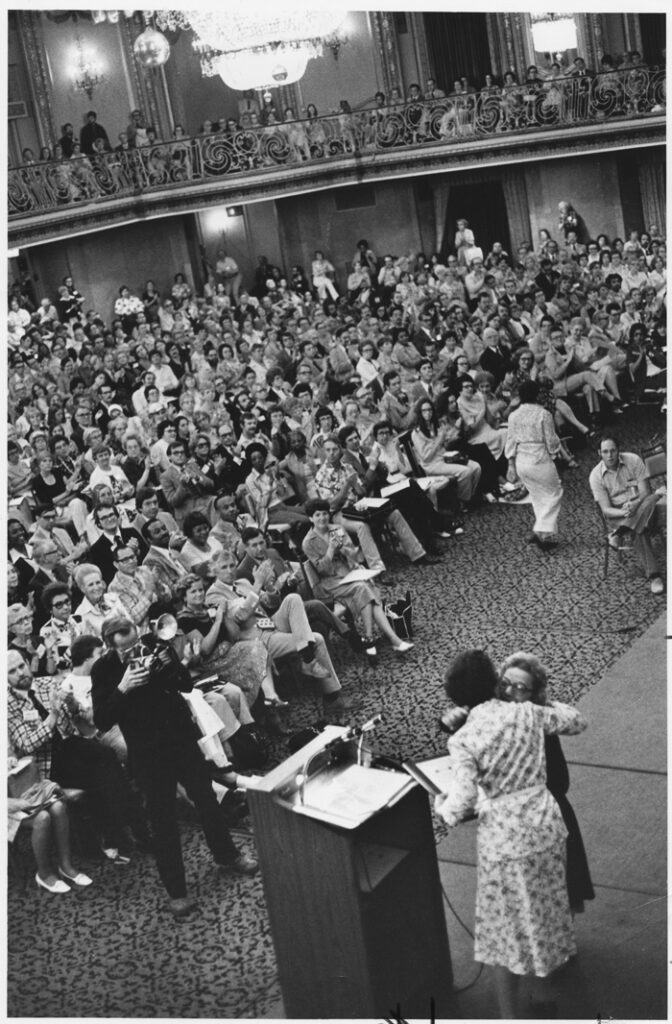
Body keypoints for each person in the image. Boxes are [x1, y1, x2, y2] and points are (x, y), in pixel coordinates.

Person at [434, 649, 587, 1019]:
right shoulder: (526, 712)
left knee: (504, 929)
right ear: (496, 682)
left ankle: (509, 1017)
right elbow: (576, 721)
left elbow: (460, 806)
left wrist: (441, 803)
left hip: (504, 838)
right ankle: (543, 994)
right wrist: (540, 700)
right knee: (546, 910)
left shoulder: (463, 738)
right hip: (546, 826)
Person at [91, 616, 258, 919]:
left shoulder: (154, 645)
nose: (135, 653)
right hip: (148, 754)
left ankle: (227, 854)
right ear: (110, 647)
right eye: (126, 651)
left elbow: (183, 683)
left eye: (135, 644)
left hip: (180, 739)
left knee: (206, 799)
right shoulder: (102, 670)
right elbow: (101, 720)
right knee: (164, 820)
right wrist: (123, 687)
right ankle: (176, 893)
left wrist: (169, 664)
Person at [302, 499, 415, 658]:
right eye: (318, 515)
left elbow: (354, 553)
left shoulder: (337, 529)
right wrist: (331, 550)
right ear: (310, 518)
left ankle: (375, 639)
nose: (322, 518)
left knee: (366, 586)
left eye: (325, 514)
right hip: (330, 583)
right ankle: (389, 640)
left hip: (348, 572)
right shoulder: (308, 542)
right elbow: (322, 569)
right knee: (362, 588)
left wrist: (346, 552)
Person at [589, 436, 664, 594]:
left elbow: (645, 492)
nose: (610, 455)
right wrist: (624, 512)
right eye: (605, 452)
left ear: (619, 450)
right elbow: (606, 509)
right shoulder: (595, 476)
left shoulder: (633, 460)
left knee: (653, 497)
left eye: (613, 451)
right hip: (619, 513)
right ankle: (654, 576)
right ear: (599, 453)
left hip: (641, 503)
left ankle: (619, 534)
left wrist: (635, 504)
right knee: (641, 527)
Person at [505, 379, 563, 549]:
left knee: (538, 497)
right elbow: (551, 441)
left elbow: (510, 441)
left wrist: (510, 464)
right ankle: (540, 530)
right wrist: (555, 454)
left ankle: (546, 538)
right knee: (555, 493)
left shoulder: (513, 415)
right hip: (539, 460)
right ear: (537, 395)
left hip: (522, 463)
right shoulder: (543, 414)